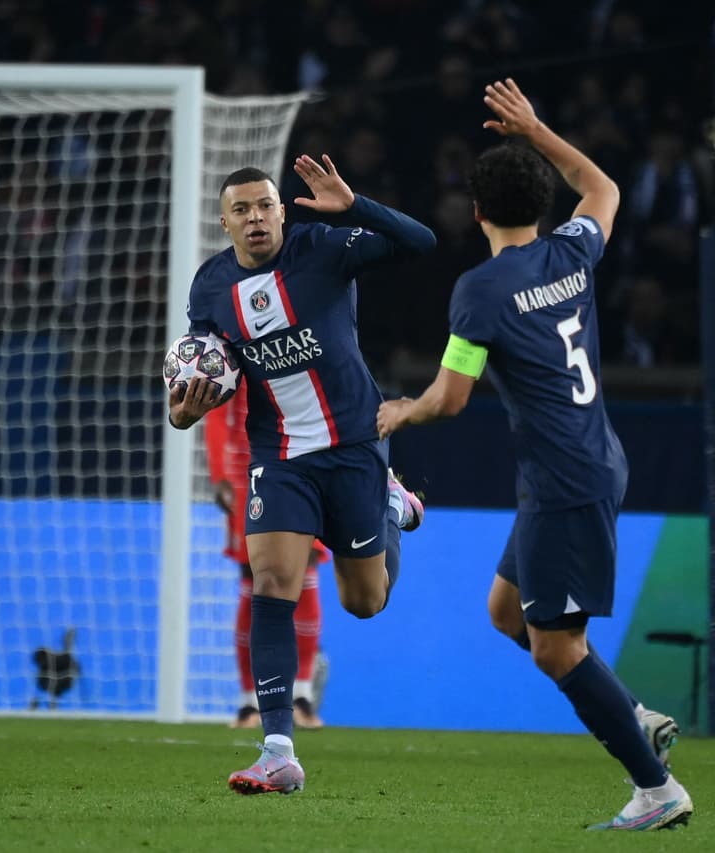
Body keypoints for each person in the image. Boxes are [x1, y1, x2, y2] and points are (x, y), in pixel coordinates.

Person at [376, 79, 691, 831]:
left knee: (555, 649)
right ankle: (629, 712)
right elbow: (605, 186)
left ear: (477, 212)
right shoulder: (573, 252)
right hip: (589, 460)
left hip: (563, 478)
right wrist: (539, 129)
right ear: (541, 207)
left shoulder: (479, 291)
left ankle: (656, 787)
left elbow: (450, 400)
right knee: (504, 610)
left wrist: (400, 409)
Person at [170, 157, 435, 796]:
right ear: (225, 221)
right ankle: (279, 750)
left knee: (364, 602)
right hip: (281, 453)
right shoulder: (209, 287)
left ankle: (390, 509)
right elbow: (200, 372)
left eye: (265, 205)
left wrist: (356, 205)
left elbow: (421, 243)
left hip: (353, 445)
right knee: (271, 582)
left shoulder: (323, 248)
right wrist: (183, 411)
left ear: (282, 211)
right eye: (242, 209)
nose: (256, 217)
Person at [204, 380, 329, 730]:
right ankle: (248, 703)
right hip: (250, 470)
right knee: (254, 578)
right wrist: (219, 472)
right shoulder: (234, 334)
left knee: (307, 572)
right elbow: (216, 410)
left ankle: (301, 695)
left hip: (306, 462)